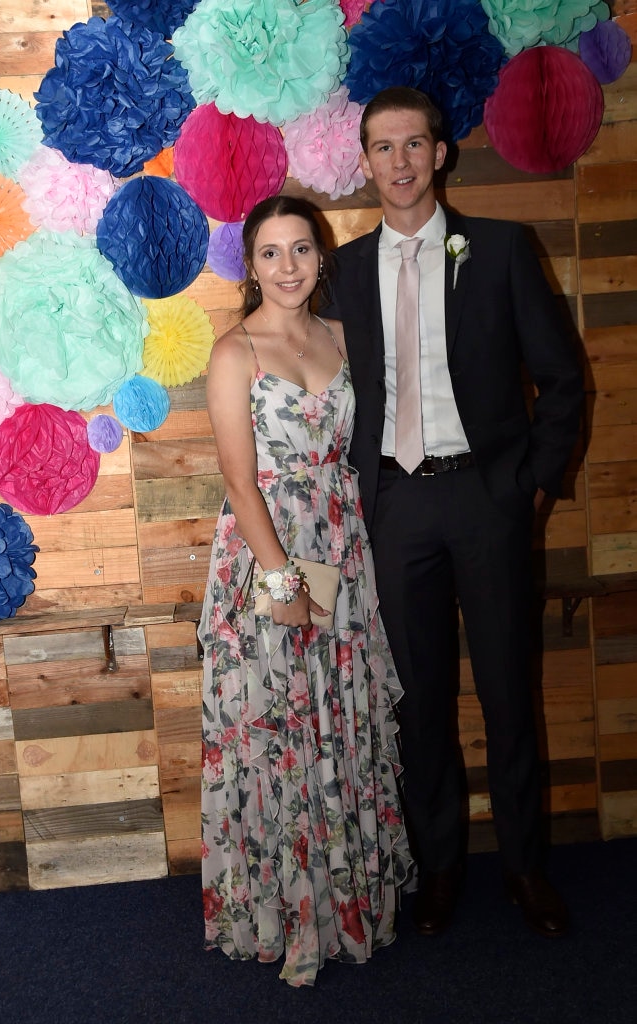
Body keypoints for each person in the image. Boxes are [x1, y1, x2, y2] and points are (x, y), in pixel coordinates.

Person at [319, 87, 584, 940]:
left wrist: (531, 487)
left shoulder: (501, 249)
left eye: (413, 145)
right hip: (395, 508)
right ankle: (438, 871)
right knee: (418, 702)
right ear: (365, 161)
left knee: (510, 692)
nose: (399, 162)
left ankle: (523, 868)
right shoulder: (346, 271)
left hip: (488, 499)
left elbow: (564, 379)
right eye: (382, 147)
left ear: (441, 154)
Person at [198, 195, 415, 987]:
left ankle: (349, 900)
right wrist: (282, 578)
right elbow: (238, 478)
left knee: (341, 715)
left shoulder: (344, 338)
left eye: (301, 251)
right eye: (270, 253)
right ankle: (287, 909)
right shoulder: (234, 352)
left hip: (343, 547)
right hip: (270, 550)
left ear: (322, 259)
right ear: (249, 266)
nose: (287, 267)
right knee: (284, 722)